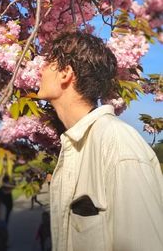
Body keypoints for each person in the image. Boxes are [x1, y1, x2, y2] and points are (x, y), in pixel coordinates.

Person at [38, 30, 163, 251]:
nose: (40, 69)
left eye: (48, 62)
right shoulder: (75, 144)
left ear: (66, 73)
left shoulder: (117, 143)